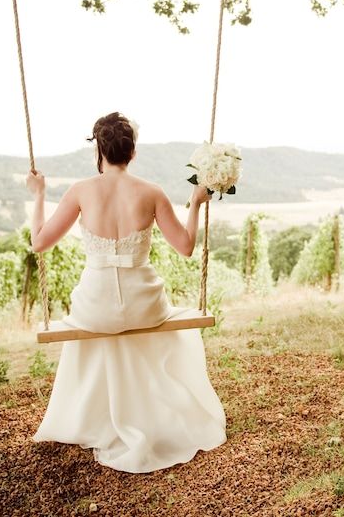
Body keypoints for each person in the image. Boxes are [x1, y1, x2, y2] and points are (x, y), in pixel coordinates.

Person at [27, 112, 226, 473]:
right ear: (132, 152)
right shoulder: (151, 192)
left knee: (96, 324)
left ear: (98, 151)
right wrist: (195, 203)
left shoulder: (81, 191)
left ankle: (97, 415)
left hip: (95, 307)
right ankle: (153, 409)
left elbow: (39, 242)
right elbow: (185, 247)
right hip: (144, 304)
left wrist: (38, 194)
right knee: (164, 323)